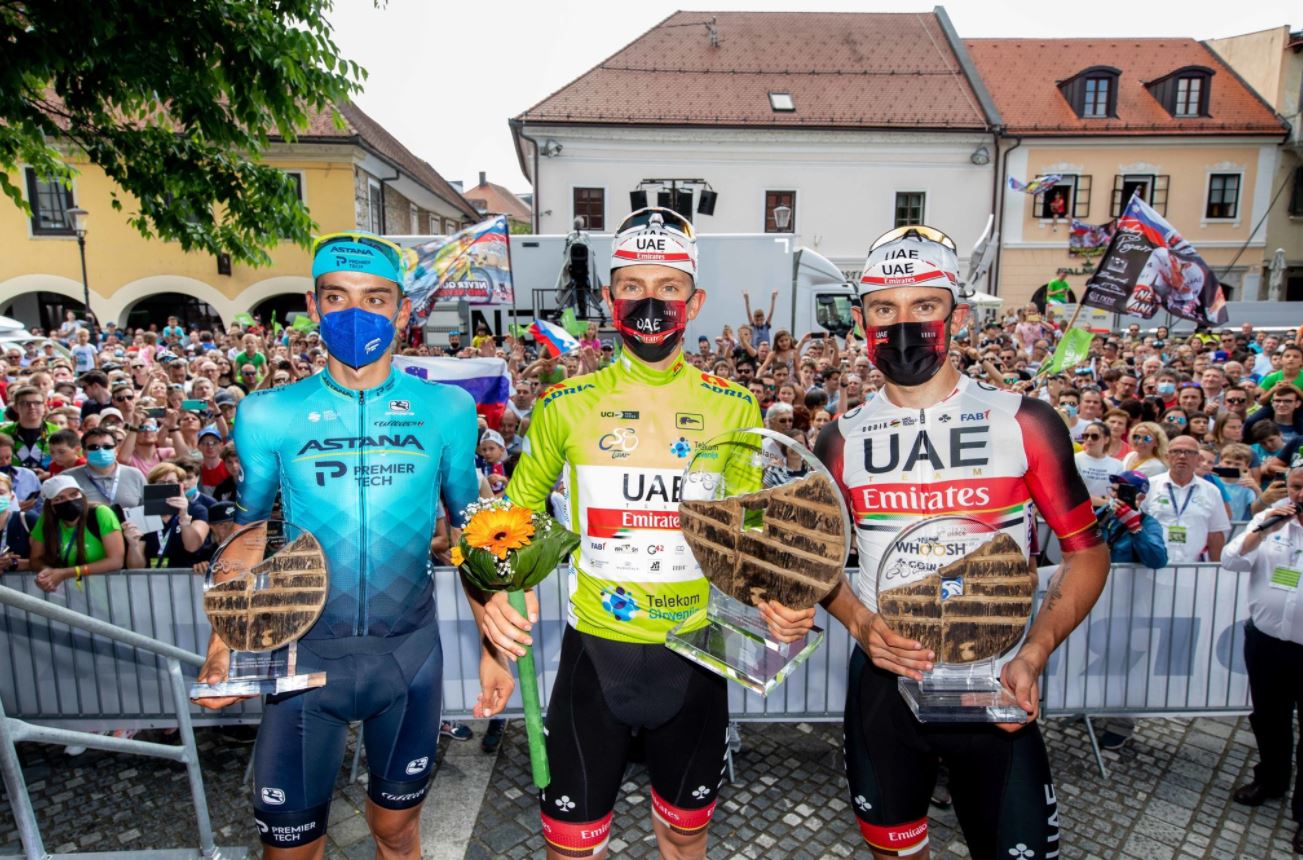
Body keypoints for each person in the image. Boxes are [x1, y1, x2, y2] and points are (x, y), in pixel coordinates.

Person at [473, 207, 814, 860]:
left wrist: (783, 593)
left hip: (693, 659)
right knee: (571, 848)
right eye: (633, 286)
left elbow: (747, 531)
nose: (651, 302)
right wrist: (494, 630)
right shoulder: (562, 405)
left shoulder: (733, 406)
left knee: (683, 839)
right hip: (592, 661)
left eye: (669, 288)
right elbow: (504, 528)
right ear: (609, 297)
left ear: (696, 300)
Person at [813, 225, 1109, 859]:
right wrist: (861, 623)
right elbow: (821, 566)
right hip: (885, 686)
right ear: (861, 321)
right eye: (883, 309)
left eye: (925, 306)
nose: (902, 325)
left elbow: (1086, 551)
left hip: (998, 676)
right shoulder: (840, 439)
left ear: (959, 314)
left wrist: (1034, 652)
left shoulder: (1023, 420)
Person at [191, 230, 481, 858]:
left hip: (408, 657)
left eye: (377, 298)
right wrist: (222, 644)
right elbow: (250, 532)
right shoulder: (267, 413)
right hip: (301, 660)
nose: (358, 312)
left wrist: (496, 641)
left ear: (403, 310)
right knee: (290, 850)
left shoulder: (448, 409)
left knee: (397, 834)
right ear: (314, 305)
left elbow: (475, 529)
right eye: (338, 296)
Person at [1224, 467, 1303, 854]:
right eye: (1297, 486)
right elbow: (1230, 560)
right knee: (1268, 718)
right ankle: (1271, 780)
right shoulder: (1270, 521)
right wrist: (1262, 531)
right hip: (1267, 643)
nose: (1301, 493)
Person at [1142, 435, 1230, 563]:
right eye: (1176, 451)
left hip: (1192, 569)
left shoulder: (1212, 491)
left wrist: (1216, 570)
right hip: (1153, 567)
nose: (1182, 456)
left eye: (1189, 452)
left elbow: (1215, 534)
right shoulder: (1149, 486)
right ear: (1167, 457)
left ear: (1198, 458)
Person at [30, 475, 125, 592]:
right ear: (50, 505)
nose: (69, 501)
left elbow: (116, 561)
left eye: (74, 494)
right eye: (59, 499)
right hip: (69, 593)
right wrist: (47, 571)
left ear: (82, 495)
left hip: (109, 590)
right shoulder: (46, 520)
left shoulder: (101, 513)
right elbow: (35, 559)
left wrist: (65, 573)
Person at [122, 463, 210, 569]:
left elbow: (192, 547)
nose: (166, 487)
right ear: (151, 487)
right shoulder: (143, 514)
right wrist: (133, 545)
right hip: (152, 581)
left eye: (171, 482)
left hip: (188, 578)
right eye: (160, 483)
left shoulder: (197, 510)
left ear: (181, 485)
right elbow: (135, 568)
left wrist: (184, 517)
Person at [64, 426, 147, 511]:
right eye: (94, 447)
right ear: (84, 452)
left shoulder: (135, 475)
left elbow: (149, 510)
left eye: (107, 447)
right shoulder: (68, 478)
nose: (101, 451)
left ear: (116, 450)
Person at [1074, 421, 1124, 506]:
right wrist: (1106, 502)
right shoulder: (1074, 459)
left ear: (1106, 439)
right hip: (1080, 510)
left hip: (1105, 514)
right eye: (1086, 436)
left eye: (1094, 436)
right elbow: (1073, 493)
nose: (1089, 439)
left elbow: (1118, 493)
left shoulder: (1117, 465)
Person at [0, 471, 39, 573]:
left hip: (25, 586)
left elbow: (51, 560)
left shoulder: (27, 520)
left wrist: (14, 563)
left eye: (1, 493)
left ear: (12, 497)